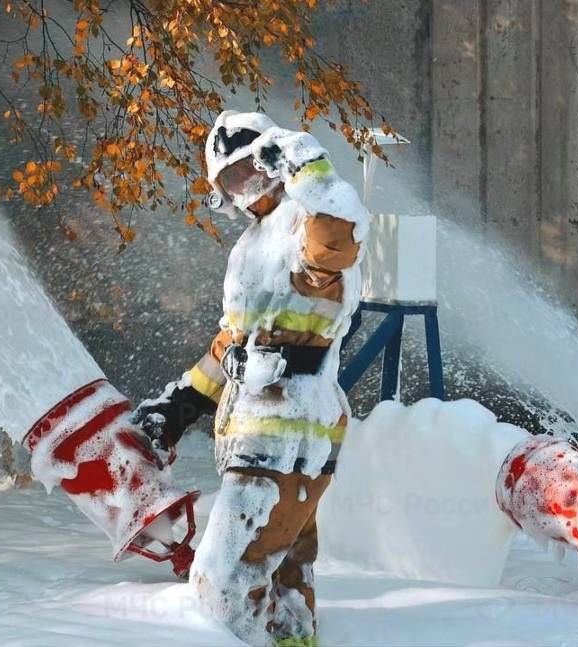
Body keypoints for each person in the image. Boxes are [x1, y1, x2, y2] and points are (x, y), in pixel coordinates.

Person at [131, 110, 369, 646]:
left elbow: (334, 241)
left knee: (225, 585)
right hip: (263, 432)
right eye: (233, 182)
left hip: (288, 432)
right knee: (285, 582)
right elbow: (232, 342)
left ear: (273, 158)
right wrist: (183, 404)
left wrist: (309, 165)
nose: (248, 188)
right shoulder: (251, 244)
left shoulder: (306, 221)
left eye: (252, 170)